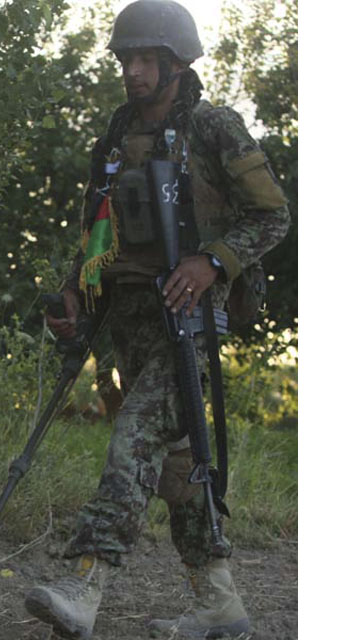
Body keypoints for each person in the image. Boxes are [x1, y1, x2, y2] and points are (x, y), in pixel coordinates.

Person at [25, 1, 291, 638]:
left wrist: (212, 262)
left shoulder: (214, 127)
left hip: (189, 318)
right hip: (128, 320)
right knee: (176, 470)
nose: (134, 71)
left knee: (134, 438)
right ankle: (220, 605)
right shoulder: (114, 139)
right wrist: (74, 292)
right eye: (127, 59)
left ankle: (84, 584)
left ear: (175, 65)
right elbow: (98, 233)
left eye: (147, 59)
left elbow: (273, 215)